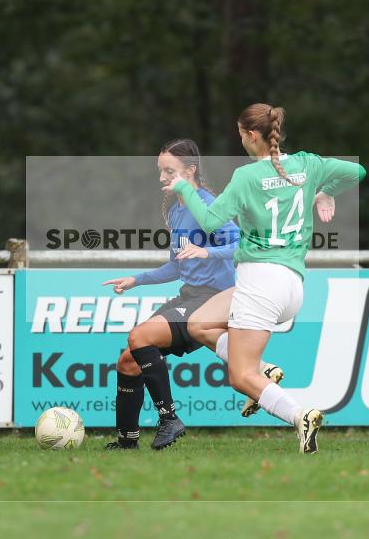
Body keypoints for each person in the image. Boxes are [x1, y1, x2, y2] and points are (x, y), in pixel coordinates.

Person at [165, 104, 366, 453]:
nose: (240, 140)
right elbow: (357, 171)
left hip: (259, 281)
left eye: (240, 134)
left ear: (251, 135)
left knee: (241, 376)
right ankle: (265, 370)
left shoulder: (247, 177)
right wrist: (326, 191)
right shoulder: (307, 164)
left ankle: (299, 415)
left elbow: (210, 221)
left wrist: (184, 189)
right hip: (292, 285)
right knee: (198, 323)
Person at [102, 138, 281, 450]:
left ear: (190, 171)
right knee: (128, 360)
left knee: (139, 337)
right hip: (190, 296)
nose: (162, 178)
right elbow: (177, 265)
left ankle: (169, 419)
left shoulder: (207, 205)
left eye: (169, 171)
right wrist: (137, 280)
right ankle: (127, 442)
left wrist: (206, 252)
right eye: (161, 171)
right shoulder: (176, 211)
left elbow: (242, 244)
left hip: (212, 302)